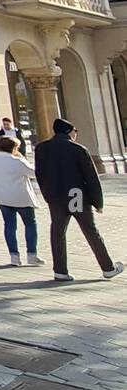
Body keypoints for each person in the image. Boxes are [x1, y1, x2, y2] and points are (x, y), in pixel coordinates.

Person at [34, 118, 124, 282]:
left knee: (57, 232)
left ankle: (60, 270)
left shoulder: (41, 148)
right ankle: (107, 267)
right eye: (75, 131)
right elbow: (91, 177)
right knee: (90, 231)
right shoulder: (78, 149)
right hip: (77, 195)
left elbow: (39, 175)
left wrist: (46, 194)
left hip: (55, 196)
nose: (76, 134)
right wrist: (98, 202)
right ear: (69, 131)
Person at [0, 135, 44, 267]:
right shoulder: (17, 161)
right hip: (20, 197)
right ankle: (32, 254)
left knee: (9, 225)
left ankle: (14, 257)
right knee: (30, 223)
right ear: (14, 148)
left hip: (2, 197)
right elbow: (34, 173)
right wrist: (22, 158)